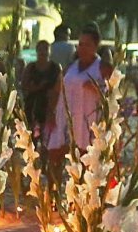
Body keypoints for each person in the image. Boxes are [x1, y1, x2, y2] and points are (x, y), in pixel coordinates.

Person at [47, 24, 113, 171]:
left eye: (87, 45)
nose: (82, 48)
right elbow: (56, 90)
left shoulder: (102, 66)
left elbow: (112, 94)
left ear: (96, 46)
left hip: (88, 119)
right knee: (55, 155)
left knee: (84, 160)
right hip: (65, 116)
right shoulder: (71, 66)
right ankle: (52, 192)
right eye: (80, 44)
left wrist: (96, 87)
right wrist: (50, 114)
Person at [21, 40, 61, 142]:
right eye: (40, 49)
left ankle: (44, 157)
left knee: (47, 139)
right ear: (37, 51)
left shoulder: (55, 68)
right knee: (31, 137)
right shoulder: (31, 67)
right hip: (33, 105)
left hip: (49, 106)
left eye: (46, 49)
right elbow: (24, 85)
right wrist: (37, 87)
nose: (43, 52)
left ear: (49, 51)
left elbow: (61, 87)